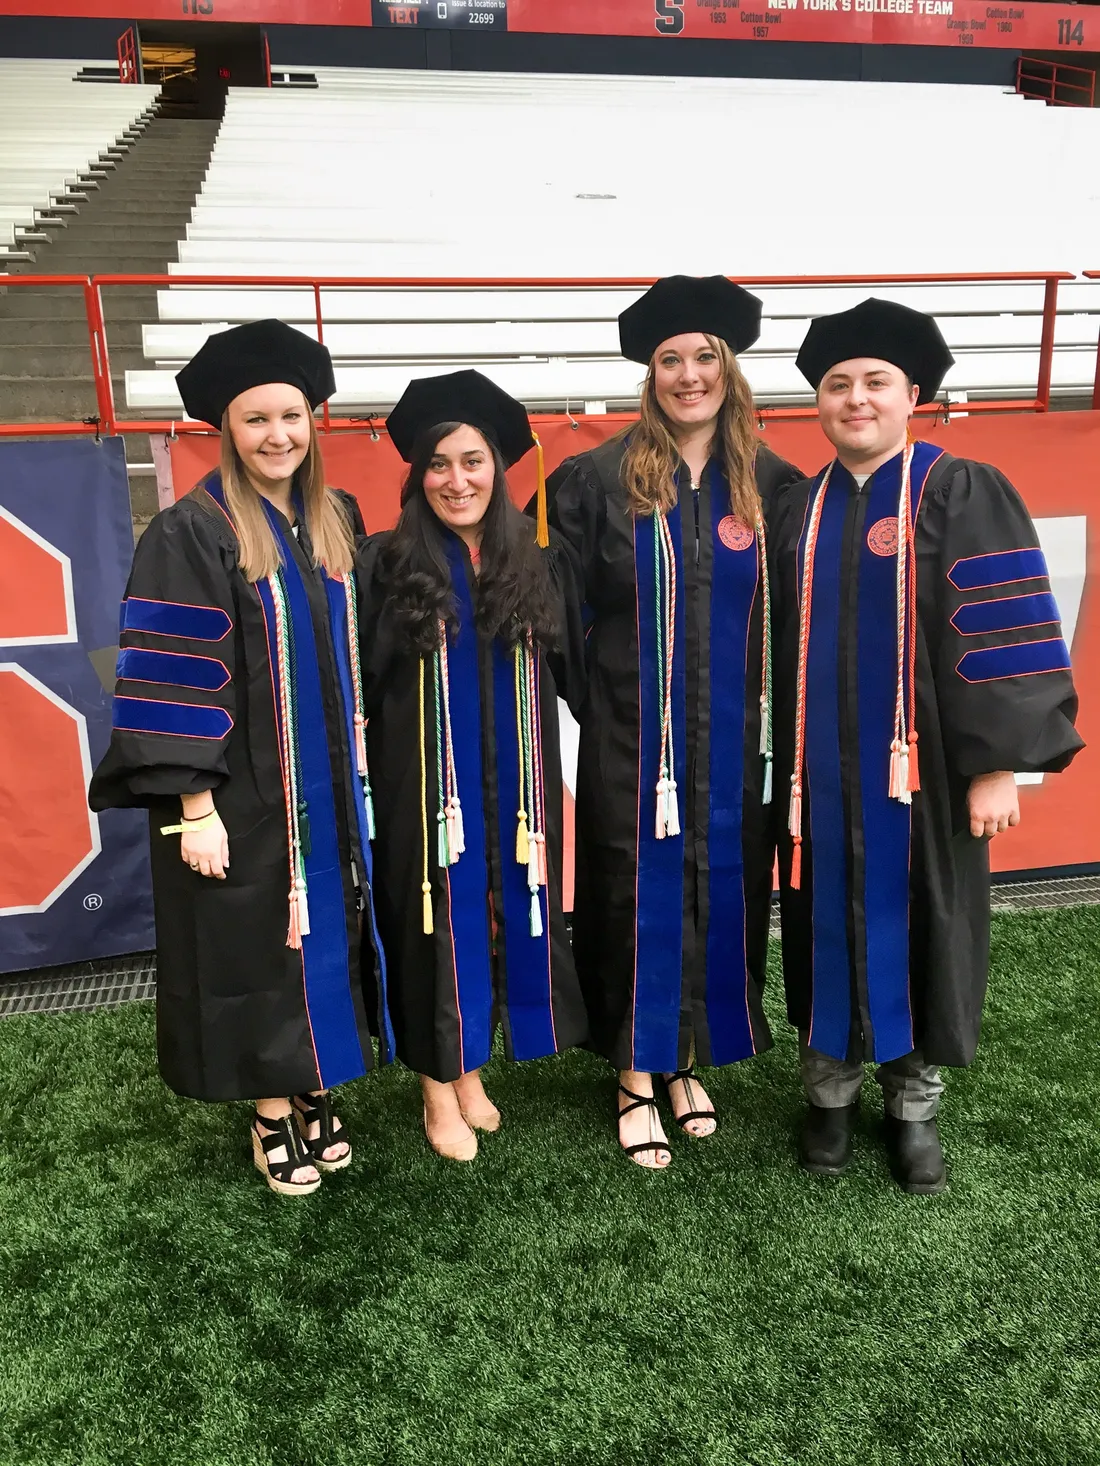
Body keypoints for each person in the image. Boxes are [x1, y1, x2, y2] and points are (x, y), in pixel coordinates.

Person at [771, 298, 1083, 1194]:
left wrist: (995, 765)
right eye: (838, 384)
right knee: (825, 926)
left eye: (875, 382)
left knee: (929, 930)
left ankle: (914, 1107)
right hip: (820, 776)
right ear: (819, 403)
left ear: (914, 394)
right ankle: (827, 1094)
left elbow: (1004, 630)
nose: (856, 399)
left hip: (927, 778)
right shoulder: (802, 509)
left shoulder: (959, 487)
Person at [89, 320, 392, 1197]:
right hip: (238, 794)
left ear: (314, 420)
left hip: (326, 788)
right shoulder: (191, 531)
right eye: (256, 419)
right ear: (225, 428)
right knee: (256, 948)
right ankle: (269, 1112)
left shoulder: (335, 519)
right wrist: (192, 805)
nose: (278, 436)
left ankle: (311, 1081)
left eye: (292, 416)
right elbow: (167, 674)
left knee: (319, 937)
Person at [546, 275, 804, 1169]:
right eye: (670, 361)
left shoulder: (773, 486)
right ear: (648, 374)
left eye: (705, 358)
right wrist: (609, 709)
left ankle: (691, 1058)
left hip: (736, 745)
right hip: (635, 744)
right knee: (630, 893)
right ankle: (632, 1071)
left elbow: (793, 622)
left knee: (726, 891)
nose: (688, 375)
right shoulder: (594, 479)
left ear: (730, 371)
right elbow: (561, 609)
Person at [357, 369, 587, 1162]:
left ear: (499, 467)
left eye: (473, 461)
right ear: (418, 476)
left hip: (511, 783)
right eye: (439, 465)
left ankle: (470, 1071)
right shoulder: (385, 564)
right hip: (424, 785)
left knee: (494, 915)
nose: (458, 480)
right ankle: (434, 1087)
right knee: (432, 926)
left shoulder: (530, 559)